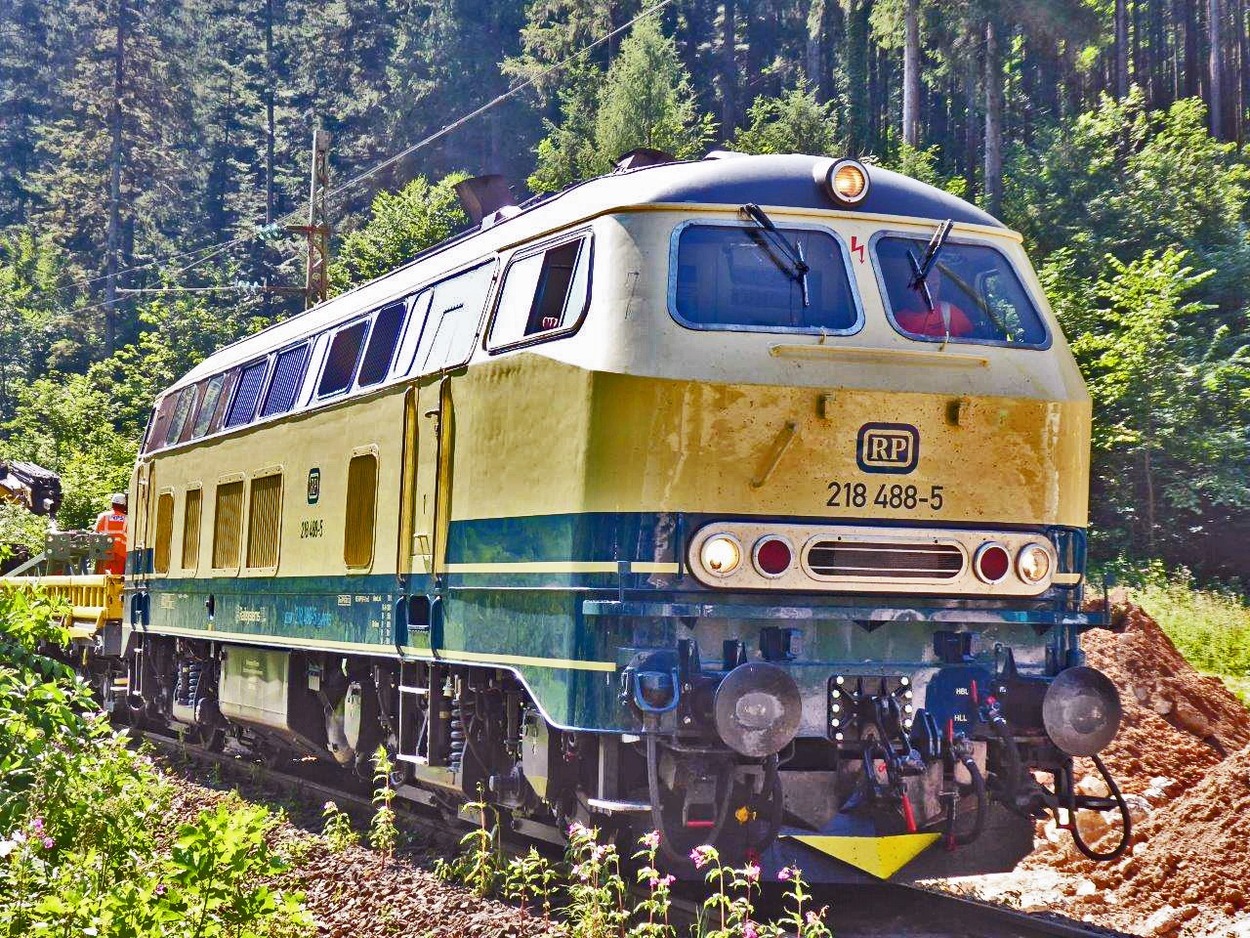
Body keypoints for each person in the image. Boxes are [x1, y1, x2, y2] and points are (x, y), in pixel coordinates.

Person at [894, 269, 976, 338]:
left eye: (935, 285)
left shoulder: (950, 312)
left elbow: (971, 344)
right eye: (924, 285)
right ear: (912, 288)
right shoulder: (897, 321)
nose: (930, 290)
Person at [95, 493, 127, 575]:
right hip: (120, 553)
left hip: (104, 552)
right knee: (117, 579)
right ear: (124, 505)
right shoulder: (127, 519)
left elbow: (96, 533)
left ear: (112, 504)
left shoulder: (103, 516)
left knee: (101, 578)